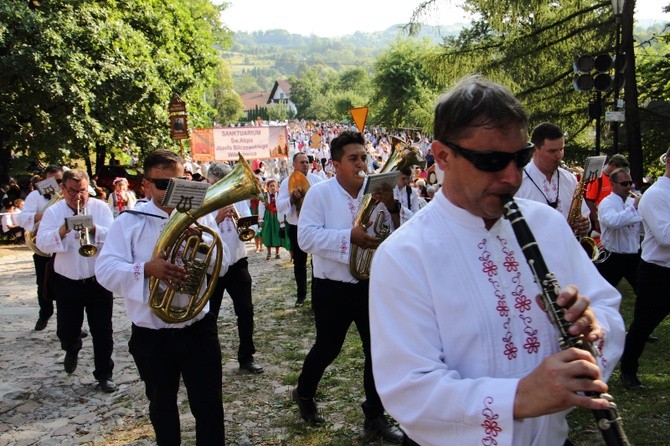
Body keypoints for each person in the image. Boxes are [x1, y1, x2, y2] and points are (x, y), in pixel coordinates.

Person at [368, 75, 625, 445]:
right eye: (491, 161)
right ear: (442, 156)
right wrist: (518, 398)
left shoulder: (547, 225)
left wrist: (594, 327)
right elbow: (410, 389)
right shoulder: (404, 255)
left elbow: (606, 305)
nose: (512, 177)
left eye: (519, 158)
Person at [95, 149, 227, 444]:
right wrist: (147, 269)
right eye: (162, 185)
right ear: (145, 185)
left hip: (198, 328)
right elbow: (105, 271)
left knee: (209, 408)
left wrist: (204, 238)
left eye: (179, 183)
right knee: (162, 408)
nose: (171, 192)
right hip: (152, 334)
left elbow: (225, 262)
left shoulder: (201, 215)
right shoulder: (128, 222)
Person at [293, 131, 405, 443]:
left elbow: (401, 235)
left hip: (372, 284)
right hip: (333, 287)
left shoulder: (378, 192)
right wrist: (348, 237)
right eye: (353, 159)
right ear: (336, 164)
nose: (360, 164)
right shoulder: (320, 194)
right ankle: (304, 393)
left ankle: (374, 415)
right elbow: (306, 238)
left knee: (377, 351)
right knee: (328, 348)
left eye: (363, 158)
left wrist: (393, 207)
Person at [35, 169, 117, 393]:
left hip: (97, 280)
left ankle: (104, 374)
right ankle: (72, 347)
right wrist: (64, 229)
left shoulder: (99, 207)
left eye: (82, 191)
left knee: (103, 331)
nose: (78, 196)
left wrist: (93, 229)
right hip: (67, 280)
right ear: (63, 189)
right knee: (66, 330)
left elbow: (114, 237)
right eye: (72, 191)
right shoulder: (54, 211)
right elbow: (41, 244)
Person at [619, 148, 670, 389]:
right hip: (658, 272)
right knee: (642, 325)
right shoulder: (656, 195)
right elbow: (665, 236)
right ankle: (628, 371)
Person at [207, 162, 264, 374]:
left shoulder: (239, 199)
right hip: (212, 266)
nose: (218, 187)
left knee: (246, 311)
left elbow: (254, 227)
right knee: (209, 315)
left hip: (238, 262)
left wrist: (241, 223)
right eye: (214, 183)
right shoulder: (205, 200)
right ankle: (208, 360)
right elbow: (198, 230)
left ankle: (246, 357)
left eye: (222, 183)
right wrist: (218, 217)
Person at [515, 122, 590, 236]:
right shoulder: (518, 181)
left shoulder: (570, 179)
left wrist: (585, 223)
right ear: (534, 150)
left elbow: (584, 213)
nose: (559, 155)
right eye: (552, 151)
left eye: (561, 149)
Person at [16, 165, 63, 331]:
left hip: (62, 247)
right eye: (53, 181)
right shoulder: (35, 195)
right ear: (45, 180)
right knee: (43, 284)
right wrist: (42, 216)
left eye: (60, 180)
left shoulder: (68, 195)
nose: (57, 184)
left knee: (66, 286)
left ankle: (69, 324)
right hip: (42, 247)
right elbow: (21, 218)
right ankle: (45, 313)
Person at [276, 152, 323, 307]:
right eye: (301, 162)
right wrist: (292, 199)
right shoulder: (285, 183)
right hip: (296, 227)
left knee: (317, 261)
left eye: (307, 162)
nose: (305, 164)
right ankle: (301, 295)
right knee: (300, 263)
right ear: (294, 165)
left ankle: (317, 295)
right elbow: (280, 207)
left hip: (316, 226)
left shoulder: (317, 180)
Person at [595, 167, 642, 294]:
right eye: (624, 184)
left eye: (630, 183)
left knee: (644, 291)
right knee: (603, 293)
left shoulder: (632, 201)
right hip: (613, 256)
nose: (629, 187)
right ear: (612, 184)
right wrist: (634, 208)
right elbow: (614, 222)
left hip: (633, 254)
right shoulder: (606, 203)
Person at [585, 154, 630, 234]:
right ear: (613, 165)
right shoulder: (598, 178)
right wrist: (596, 221)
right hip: (601, 218)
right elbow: (589, 200)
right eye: (619, 169)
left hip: (615, 216)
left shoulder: (617, 179)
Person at [258, 178, 283, 260]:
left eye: (274, 186)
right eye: (271, 186)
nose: (273, 188)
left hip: (277, 216)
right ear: (267, 187)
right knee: (268, 233)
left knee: (276, 232)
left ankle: (277, 253)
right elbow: (261, 208)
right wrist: (261, 219)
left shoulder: (279, 195)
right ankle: (268, 253)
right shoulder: (264, 196)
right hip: (268, 216)